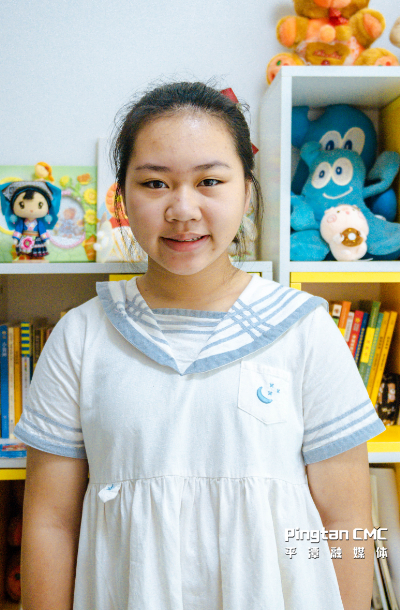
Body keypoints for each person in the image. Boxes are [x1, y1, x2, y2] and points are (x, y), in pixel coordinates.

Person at [15, 81, 384, 610]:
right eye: (155, 183)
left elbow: (346, 522)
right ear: (122, 198)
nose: (183, 209)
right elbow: (51, 522)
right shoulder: (80, 336)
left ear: (247, 192)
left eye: (210, 180)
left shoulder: (304, 329)